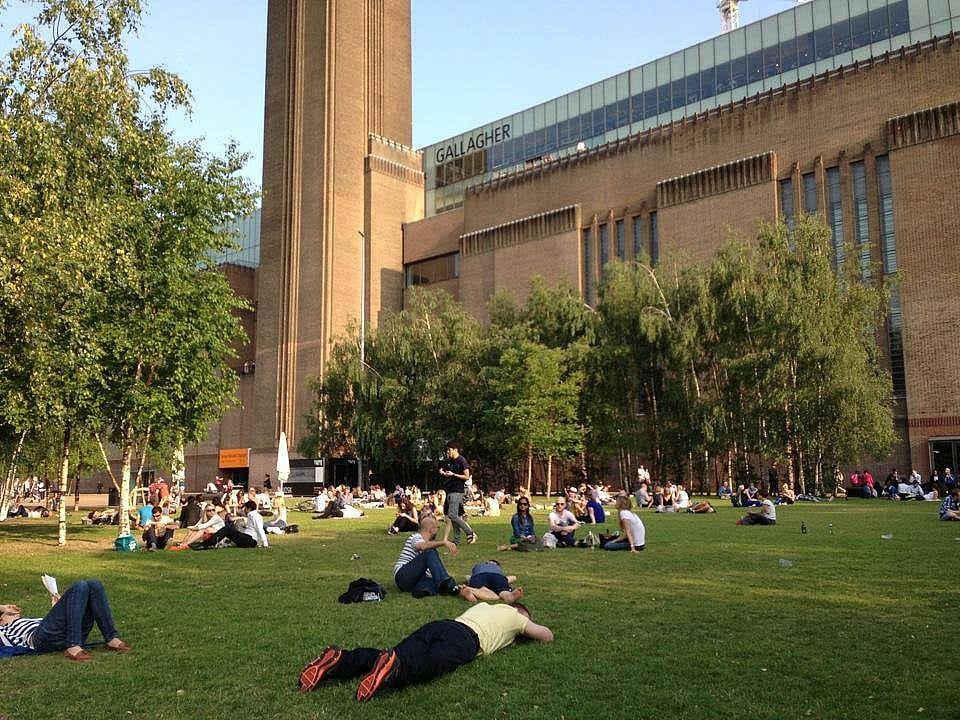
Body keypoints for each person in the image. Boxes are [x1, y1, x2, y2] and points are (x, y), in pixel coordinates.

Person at [298, 601, 553, 700]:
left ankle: (341, 660)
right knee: (430, 664)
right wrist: (523, 627)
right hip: (466, 640)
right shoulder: (516, 616)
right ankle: (394, 673)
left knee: (393, 656)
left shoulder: (487, 604)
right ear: (521, 612)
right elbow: (546, 636)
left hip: (442, 624)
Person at [0, 579, 131, 661]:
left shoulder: (31, 620)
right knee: (79, 586)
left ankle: (111, 638)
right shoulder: (4, 629)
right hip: (40, 640)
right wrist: (3, 607)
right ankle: (72, 646)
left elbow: (56, 622)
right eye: (9, 612)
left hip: (64, 632)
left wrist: (60, 606)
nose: (15, 612)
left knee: (94, 584)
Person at [393, 516, 472, 599]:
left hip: (413, 581)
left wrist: (445, 580)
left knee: (437, 581)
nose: (437, 530)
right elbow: (422, 546)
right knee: (430, 552)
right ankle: (451, 588)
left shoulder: (427, 550)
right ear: (432, 529)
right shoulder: (415, 537)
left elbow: (436, 573)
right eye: (437, 528)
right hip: (402, 575)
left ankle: (424, 590)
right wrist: (443, 542)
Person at [440, 441, 476, 545]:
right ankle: (456, 540)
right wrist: (443, 472)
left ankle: (470, 533)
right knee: (453, 515)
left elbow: (466, 476)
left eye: (449, 450)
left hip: (457, 490)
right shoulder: (450, 461)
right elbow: (447, 471)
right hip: (449, 490)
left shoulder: (462, 460)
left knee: (452, 514)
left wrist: (454, 474)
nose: (447, 452)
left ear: (455, 450)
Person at [193, 500, 268, 549]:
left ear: (248, 508)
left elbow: (260, 529)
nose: (244, 510)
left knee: (228, 529)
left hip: (250, 540)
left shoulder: (254, 515)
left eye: (245, 508)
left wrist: (265, 544)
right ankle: (205, 544)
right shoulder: (252, 515)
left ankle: (205, 544)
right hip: (248, 539)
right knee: (229, 529)